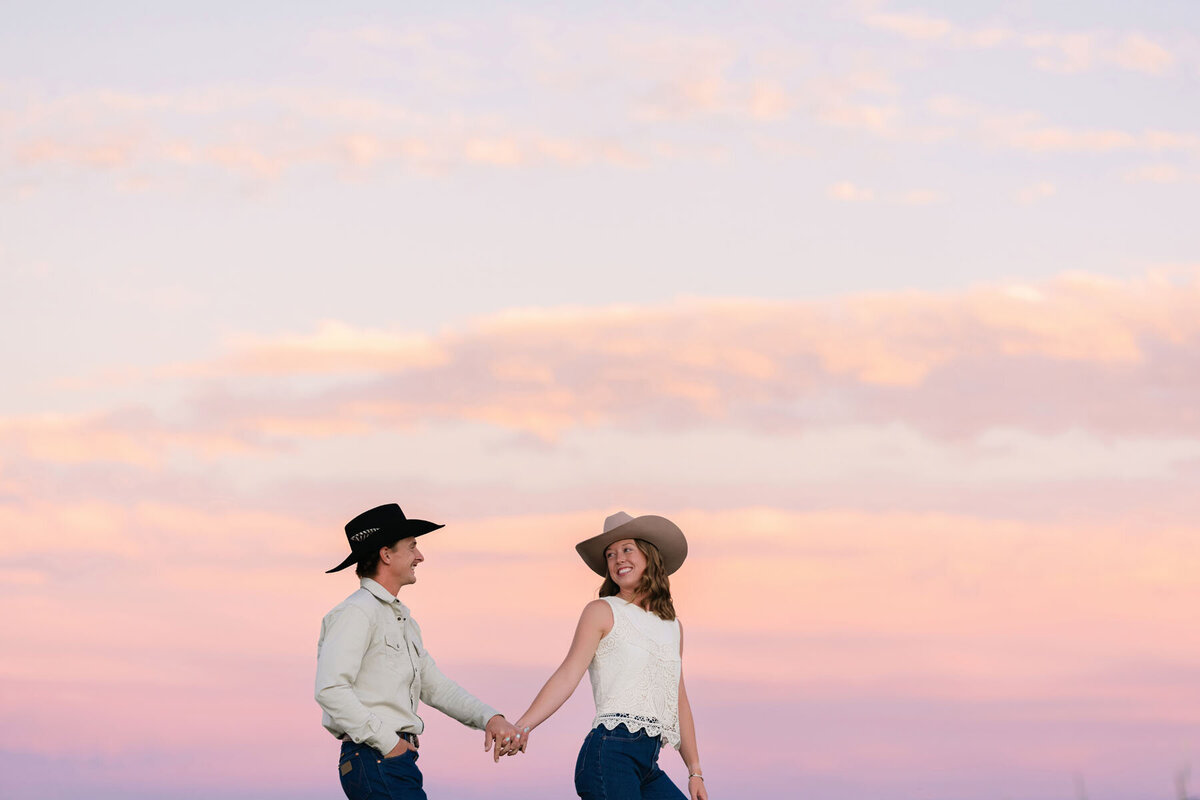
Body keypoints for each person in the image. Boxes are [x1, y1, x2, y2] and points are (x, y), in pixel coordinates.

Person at [315, 503, 524, 800]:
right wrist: (389, 744)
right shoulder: (357, 613)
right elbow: (330, 689)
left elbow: (436, 687)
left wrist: (490, 719)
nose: (420, 556)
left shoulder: (403, 621)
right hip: (376, 757)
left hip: (390, 760)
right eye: (412, 547)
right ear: (386, 555)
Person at [513, 511, 709, 800]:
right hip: (609, 754)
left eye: (627, 549)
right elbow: (568, 674)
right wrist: (522, 726)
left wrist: (694, 771)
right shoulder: (602, 611)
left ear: (649, 555)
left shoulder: (672, 627)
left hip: (649, 764)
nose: (618, 559)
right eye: (610, 555)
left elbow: (678, 699)